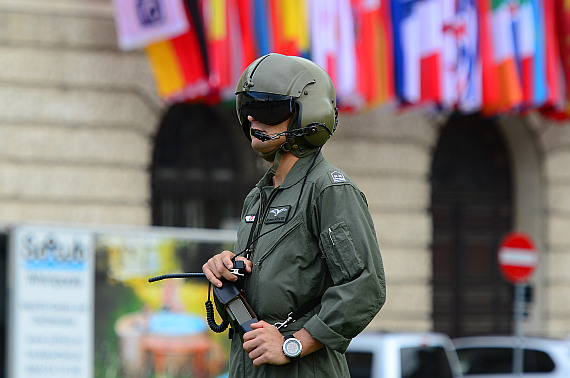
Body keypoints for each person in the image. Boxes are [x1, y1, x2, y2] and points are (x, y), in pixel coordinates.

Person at [203, 53, 386, 378]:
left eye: (268, 111)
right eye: (247, 109)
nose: (253, 122)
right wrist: (225, 272)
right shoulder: (256, 198)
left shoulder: (328, 190)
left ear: (308, 116)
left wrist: (295, 343)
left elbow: (365, 287)